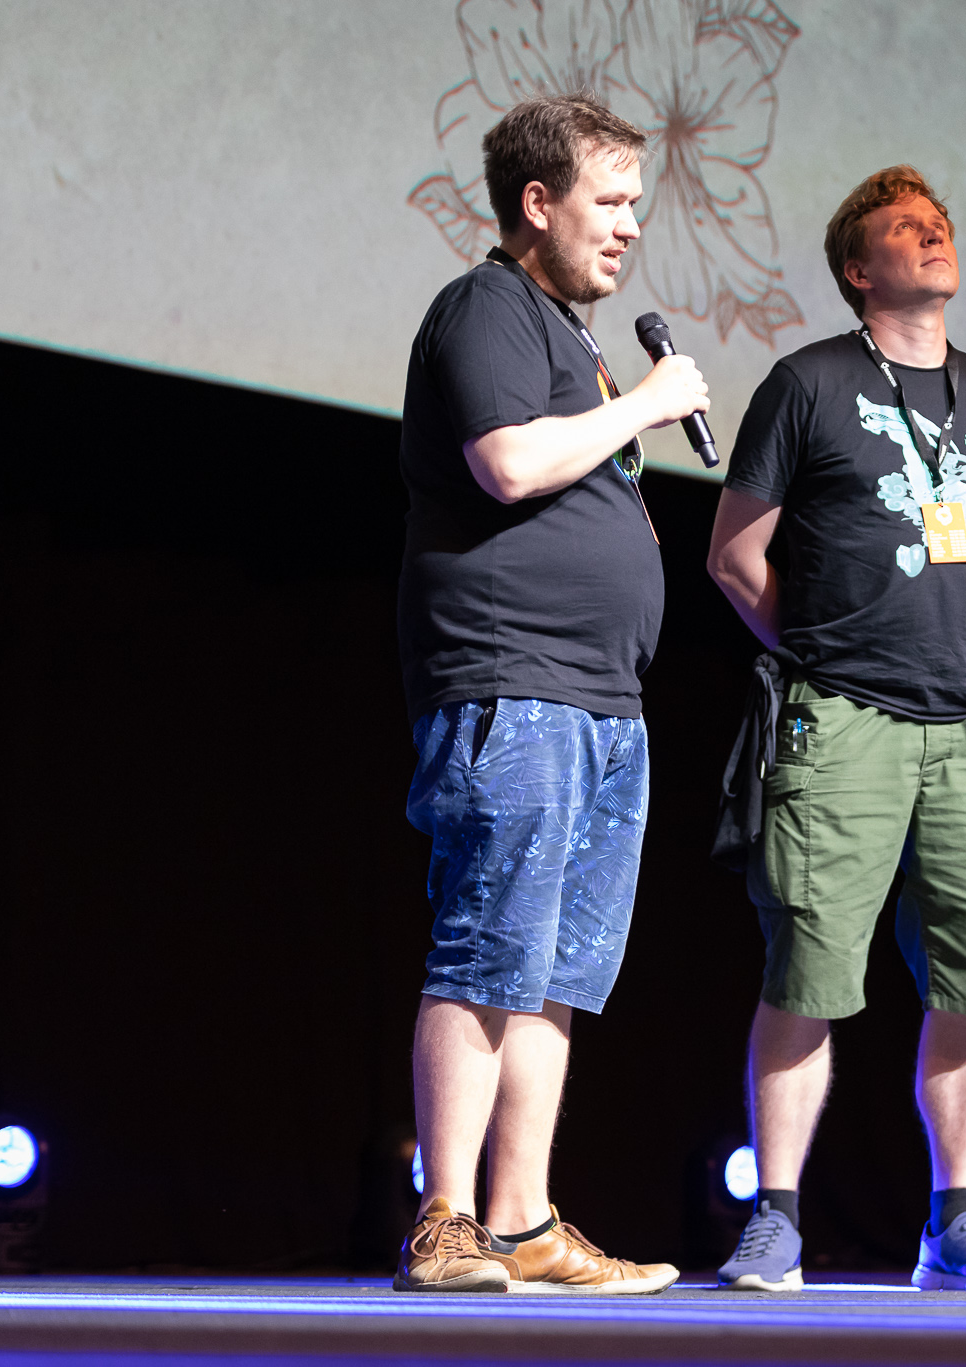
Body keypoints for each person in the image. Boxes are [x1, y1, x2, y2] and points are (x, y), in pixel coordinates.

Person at [706, 166, 966, 1292]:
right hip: (843, 719)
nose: (933, 232)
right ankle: (775, 1218)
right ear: (859, 269)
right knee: (807, 968)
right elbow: (733, 555)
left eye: (937, 221)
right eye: (905, 226)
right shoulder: (807, 382)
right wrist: (822, 651)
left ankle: (955, 1225)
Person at [391, 93, 710, 1294]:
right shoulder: (486, 306)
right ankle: (446, 1216)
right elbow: (508, 462)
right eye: (608, 201)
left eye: (635, 203)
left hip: (600, 701)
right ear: (537, 202)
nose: (628, 225)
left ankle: (522, 1220)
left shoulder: (566, 336)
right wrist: (648, 402)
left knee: (557, 969)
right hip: (511, 680)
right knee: (488, 948)